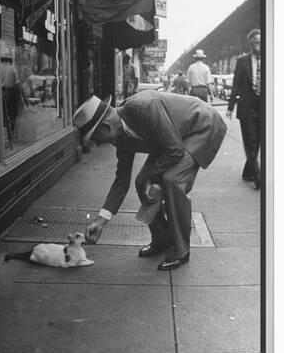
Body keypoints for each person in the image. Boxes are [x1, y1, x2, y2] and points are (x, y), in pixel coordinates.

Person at [72, 91, 227, 271]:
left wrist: (152, 178)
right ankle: (162, 240)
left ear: (106, 127)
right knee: (141, 182)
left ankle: (181, 250)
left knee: (172, 180)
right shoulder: (120, 138)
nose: (98, 144)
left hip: (202, 126)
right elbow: (121, 181)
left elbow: (175, 151)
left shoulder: (145, 107)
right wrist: (101, 221)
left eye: (95, 139)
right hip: (173, 139)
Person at [226, 29, 261, 190]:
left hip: (265, 108)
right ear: (251, 44)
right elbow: (235, 86)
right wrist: (230, 107)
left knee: (258, 142)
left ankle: (248, 171)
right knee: (251, 142)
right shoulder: (242, 61)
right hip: (247, 107)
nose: (259, 45)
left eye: (262, 42)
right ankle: (259, 176)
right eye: (256, 42)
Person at [0, 55, 21, 136]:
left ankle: (1, 134)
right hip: (10, 92)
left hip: (0, 93)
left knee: (2, 113)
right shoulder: (12, 68)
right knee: (12, 114)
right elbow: (17, 83)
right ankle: (10, 134)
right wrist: (19, 96)